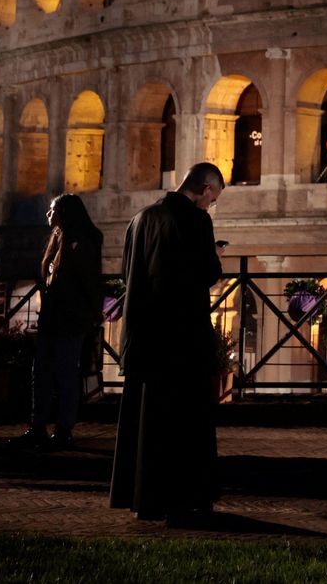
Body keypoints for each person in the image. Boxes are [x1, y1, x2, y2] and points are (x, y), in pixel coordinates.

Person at [109, 163, 226, 523]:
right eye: (214, 198)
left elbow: (128, 271)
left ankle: (144, 498)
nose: (212, 205)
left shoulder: (141, 218)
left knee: (146, 420)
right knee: (184, 421)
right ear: (206, 189)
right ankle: (183, 497)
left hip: (145, 334)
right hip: (182, 335)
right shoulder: (196, 221)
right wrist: (217, 259)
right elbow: (206, 273)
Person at [7, 194, 104, 451]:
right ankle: (38, 425)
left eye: (53, 210)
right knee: (41, 373)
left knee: (65, 375)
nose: (48, 214)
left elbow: (88, 282)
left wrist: (93, 314)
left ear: (65, 212)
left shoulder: (80, 242)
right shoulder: (57, 240)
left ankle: (63, 429)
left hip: (70, 320)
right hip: (51, 318)